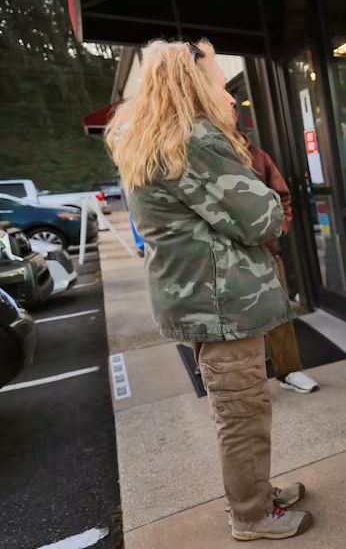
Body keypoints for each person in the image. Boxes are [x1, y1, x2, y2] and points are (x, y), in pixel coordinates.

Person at [106, 40, 310, 541]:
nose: (231, 95)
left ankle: (255, 495)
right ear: (194, 87)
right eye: (221, 84)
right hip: (222, 308)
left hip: (201, 301)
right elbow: (262, 216)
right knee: (242, 414)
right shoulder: (194, 143)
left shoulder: (155, 139)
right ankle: (252, 515)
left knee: (242, 409)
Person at [246, 138, 318, 394]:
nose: (232, 104)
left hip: (266, 250)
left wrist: (279, 227)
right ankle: (242, 385)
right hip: (223, 257)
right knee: (234, 324)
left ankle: (289, 371)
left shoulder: (255, 154)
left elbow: (282, 195)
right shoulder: (200, 154)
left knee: (279, 312)